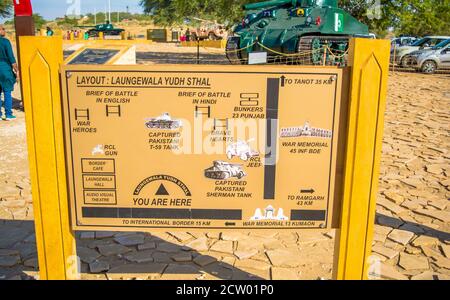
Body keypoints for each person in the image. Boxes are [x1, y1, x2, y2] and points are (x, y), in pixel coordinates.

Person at [0, 25, 18, 121]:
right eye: (3, 29)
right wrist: (16, 70)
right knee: (7, 92)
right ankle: (8, 114)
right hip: (4, 68)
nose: (4, 30)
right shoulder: (5, 42)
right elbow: (11, 57)